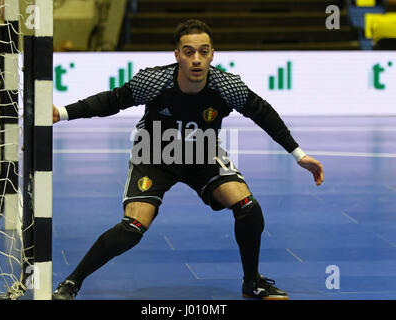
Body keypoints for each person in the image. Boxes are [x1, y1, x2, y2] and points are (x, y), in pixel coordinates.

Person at [52, 19, 324, 300]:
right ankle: (72, 283)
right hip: (154, 154)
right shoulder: (155, 81)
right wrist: (63, 112)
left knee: (248, 207)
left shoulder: (227, 86)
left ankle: (252, 282)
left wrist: (299, 155)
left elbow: (262, 113)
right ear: (177, 55)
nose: (196, 59)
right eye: (189, 51)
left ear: (212, 54)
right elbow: (113, 100)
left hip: (203, 153)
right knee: (133, 227)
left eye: (203, 51)